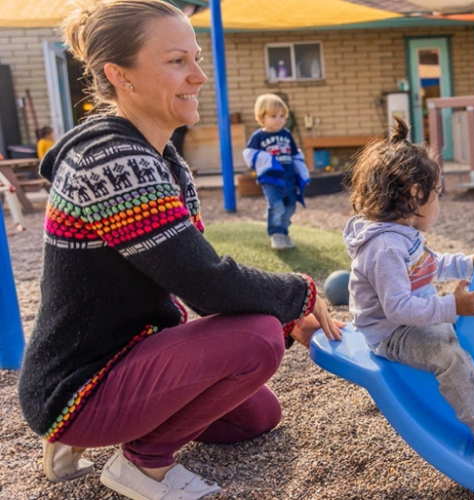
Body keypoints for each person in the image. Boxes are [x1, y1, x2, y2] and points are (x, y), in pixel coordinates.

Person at [16, 2, 343, 499]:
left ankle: (98, 435)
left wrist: (283, 312)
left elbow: (188, 269)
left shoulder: (160, 155)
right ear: (119, 76)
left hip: (130, 351)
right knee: (256, 341)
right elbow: (205, 283)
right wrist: (297, 294)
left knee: (258, 417)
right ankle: (140, 464)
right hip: (79, 384)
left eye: (196, 59)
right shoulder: (111, 158)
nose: (198, 76)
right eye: (177, 62)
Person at [343, 117, 474, 473]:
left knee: (456, 337)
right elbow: (398, 310)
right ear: (415, 194)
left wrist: (468, 264)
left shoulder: (402, 233)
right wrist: (451, 306)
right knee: (450, 357)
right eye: (437, 193)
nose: (439, 203)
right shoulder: (384, 247)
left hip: (408, 319)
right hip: (391, 334)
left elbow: (432, 264)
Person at [243, 93, 310, 250]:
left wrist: (301, 171)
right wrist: (265, 160)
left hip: (289, 178)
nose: (279, 120)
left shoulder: (286, 134)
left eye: (282, 116)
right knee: (277, 205)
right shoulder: (258, 136)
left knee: (290, 206)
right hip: (271, 180)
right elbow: (249, 155)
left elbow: (295, 155)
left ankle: (284, 232)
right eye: (273, 116)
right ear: (262, 117)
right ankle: (276, 235)